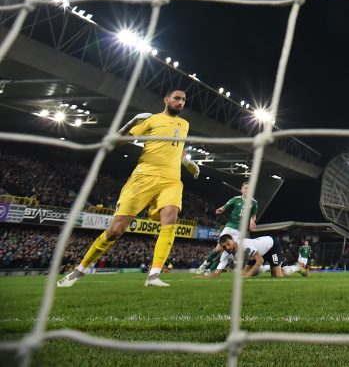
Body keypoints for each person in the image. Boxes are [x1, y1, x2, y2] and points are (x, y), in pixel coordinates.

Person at [58, 89, 201, 288]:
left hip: (171, 179)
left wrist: (187, 162)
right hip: (144, 177)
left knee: (171, 217)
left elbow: (178, 146)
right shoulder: (151, 120)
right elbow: (116, 142)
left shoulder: (184, 124)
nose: (181, 102)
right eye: (177, 98)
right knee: (116, 230)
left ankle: (154, 276)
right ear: (166, 100)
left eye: (184, 100)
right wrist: (129, 124)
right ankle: (79, 270)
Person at [197, 182, 258, 274]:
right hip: (230, 227)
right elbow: (226, 206)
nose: (247, 190)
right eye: (245, 188)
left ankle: (211, 270)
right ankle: (205, 264)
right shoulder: (236, 199)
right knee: (219, 249)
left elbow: (253, 215)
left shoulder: (254, 203)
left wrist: (252, 221)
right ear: (241, 190)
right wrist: (221, 209)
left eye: (249, 188)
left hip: (240, 231)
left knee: (227, 252)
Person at [219, 234, 286, 278]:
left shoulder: (244, 245)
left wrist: (249, 274)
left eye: (228, 244)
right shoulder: (232, 252)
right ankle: (265, 268)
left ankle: (291, 268)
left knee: (277, 275)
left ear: (233, 240)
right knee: (244, 274)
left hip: (272, 246)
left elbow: (260, 260)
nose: (227, 248)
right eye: (224, 247)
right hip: (259, 253)